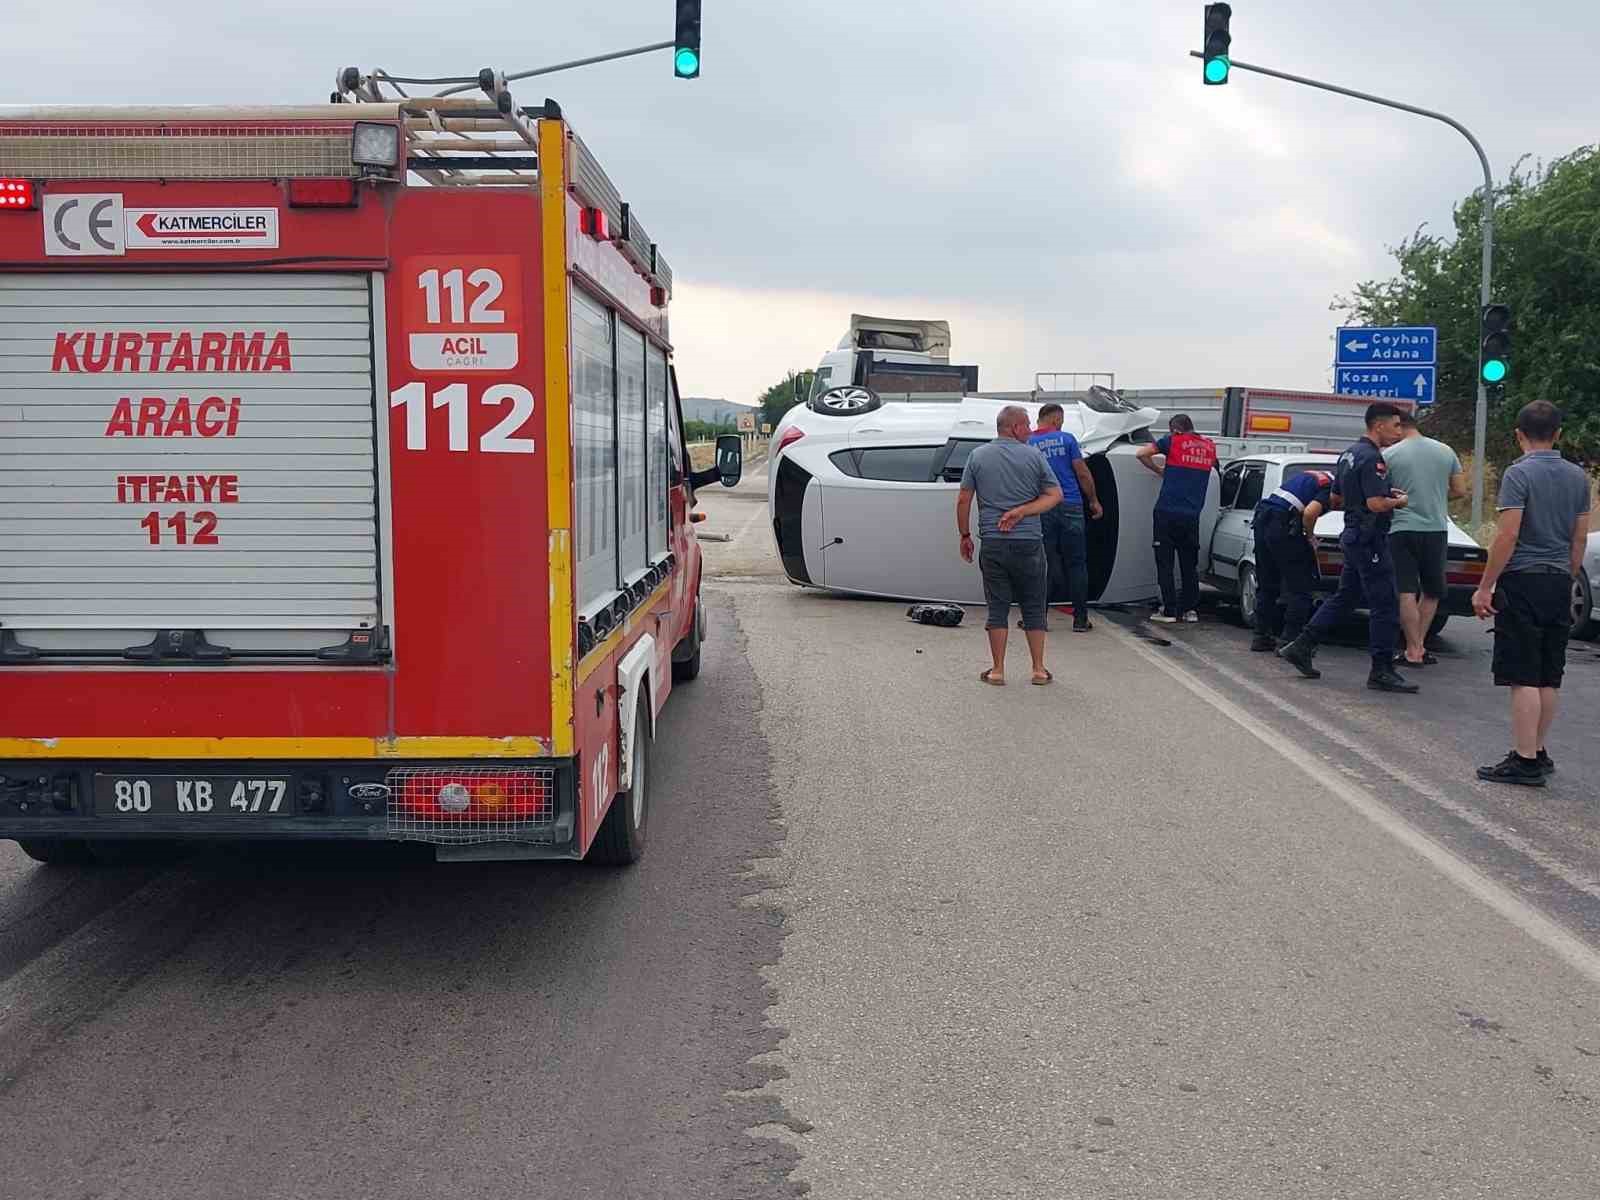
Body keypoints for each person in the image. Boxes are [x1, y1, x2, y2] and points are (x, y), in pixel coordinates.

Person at [1471, 401, 1592, 787]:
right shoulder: (1578, 478)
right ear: (1558, 433)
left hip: (1523, 578)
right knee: (1547, 674)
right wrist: (1567, 575)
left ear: (1519, 434)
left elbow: (1508, 534)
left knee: (1522, 674)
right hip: (1559, 580)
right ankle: (1538, 751)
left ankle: (1523, 761)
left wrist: (1486, 585)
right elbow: (1579, 537)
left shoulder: (1518, 474)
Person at [1277, 402, 1418, 693]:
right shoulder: (1373, 458)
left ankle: (1302, 645)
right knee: (1385, 604)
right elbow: (1376, 504)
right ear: (1378, 426)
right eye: (1395, 425)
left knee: (1345, 596)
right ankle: (1381, 669)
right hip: (1371, 538)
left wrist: (1379, 494)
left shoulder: (1349, 454)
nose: (1399, 430)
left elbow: (1337, 498)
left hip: (1354, 535)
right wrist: (1398, 501)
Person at [957, 406, 1062, 686]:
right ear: (1014, 428)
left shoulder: (977, 456)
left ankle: (997, 670)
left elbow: (964, 499)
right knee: (1033, 605)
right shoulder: (1034, 456)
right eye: (1026, 425)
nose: (1029, 430)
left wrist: (965, 535)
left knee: (997, 606)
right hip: (1029, 542)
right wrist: (1024, 511)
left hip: (993, 542)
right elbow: (1054, 494)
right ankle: (1039, 670)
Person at [1384, 411, 1468, 667]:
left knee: (1406, 590)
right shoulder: (1446, 451)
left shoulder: (1388, 455)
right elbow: (1460, 490)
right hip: (1435, 529)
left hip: (1401, 528)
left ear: (1399, 427)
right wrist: (1437, 499)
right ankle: (1417, 647)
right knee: (1432, 591)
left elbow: (1379, 493)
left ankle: (1413, 648)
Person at [1028, 403, 1104, 633]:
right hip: (1071, 504)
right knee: (1077, 563)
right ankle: (1080, 620)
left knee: (1045, 562)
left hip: (1043, 506)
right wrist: (1093, 500)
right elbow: (1082, 472)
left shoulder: (1028, 443)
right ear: (1055, 419)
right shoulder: (1068, 439)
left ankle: (1038, 619)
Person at [1136, 414, 1217, 624]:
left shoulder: (1173, 441)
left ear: (1175, 430)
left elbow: (1141, 453)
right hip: (1192, 516)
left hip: (1167, 513)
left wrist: (1158, 470)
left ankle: (1169, 610)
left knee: (1165, 562)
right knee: (1189, 564)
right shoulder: (1209, 446)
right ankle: (1190, 610)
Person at [1248, 468, 1338, 652]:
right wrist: (1311, 538)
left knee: (1267, 584)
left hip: (1263, 519)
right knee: (1301, 588)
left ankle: (1261, 636)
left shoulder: (1311, 476)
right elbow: (1310, 513)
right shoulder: (1330, 486)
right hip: (1282, 524)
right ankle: (1289, 641)